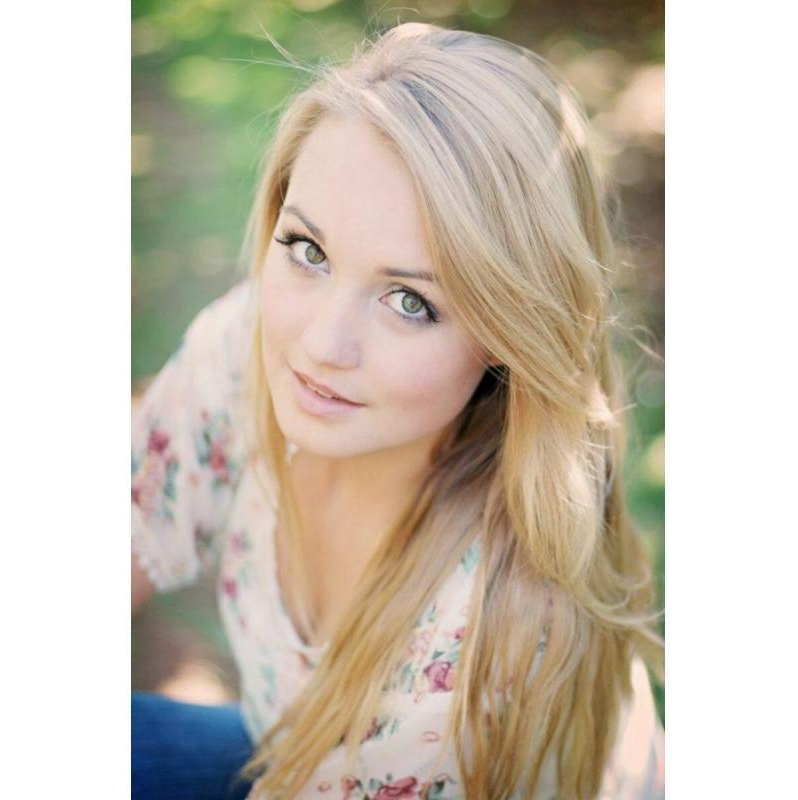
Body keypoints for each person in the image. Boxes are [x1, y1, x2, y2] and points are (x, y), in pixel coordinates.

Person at [131, 22, 664, 800]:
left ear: (507, 336)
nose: (321, 344)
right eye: (309, 250)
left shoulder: (488, 639)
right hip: (284, 748)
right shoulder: (248, 346)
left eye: (410, 301)